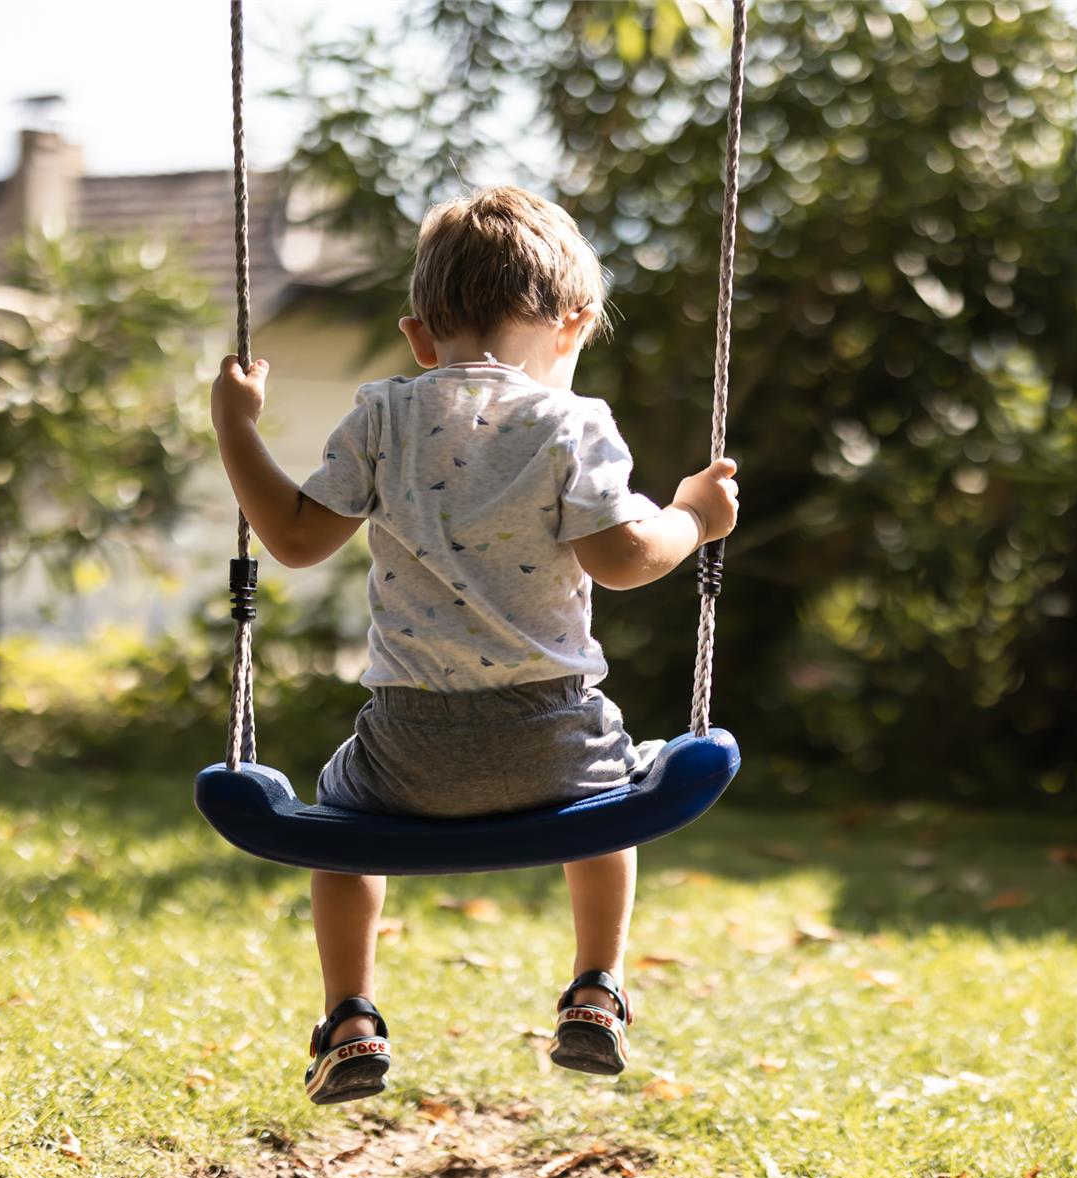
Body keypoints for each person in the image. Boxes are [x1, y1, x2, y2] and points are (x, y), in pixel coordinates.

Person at [209, 185, 740, 1104]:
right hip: (557, 742)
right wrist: (693, 516)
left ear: (420, 338)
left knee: (340, 832)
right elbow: (619, 559)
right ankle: (594, 988)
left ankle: (349, 1015)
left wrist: (236, 428)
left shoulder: (382, 416)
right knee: (617, 795)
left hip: (407, 753)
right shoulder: (574, 423)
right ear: (575, 326)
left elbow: (293, 539)